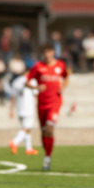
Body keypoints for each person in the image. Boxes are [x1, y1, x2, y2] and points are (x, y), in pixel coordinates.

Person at [26, 43, 70, 171]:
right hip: (42, 104)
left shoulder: (60, 65)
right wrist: (36, 87)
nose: (47, 55)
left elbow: (66, 77)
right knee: (44, 131)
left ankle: (47, 158)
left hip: (55, 102)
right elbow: (27, 82)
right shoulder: (38, 66)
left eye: (49, 52)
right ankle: (47, 154)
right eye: (45, 52)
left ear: (53, 52)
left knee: (50, 128)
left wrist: (63, 86)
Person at [6, 61, 38, 156]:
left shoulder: (16, 81)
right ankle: (14, 142)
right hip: (28, 108)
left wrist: (11, 110)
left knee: (26, 129)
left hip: (19, 109)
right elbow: (36, 95)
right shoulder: (32, 81)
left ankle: (29, 149)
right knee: (26, 128)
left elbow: (13, 97)